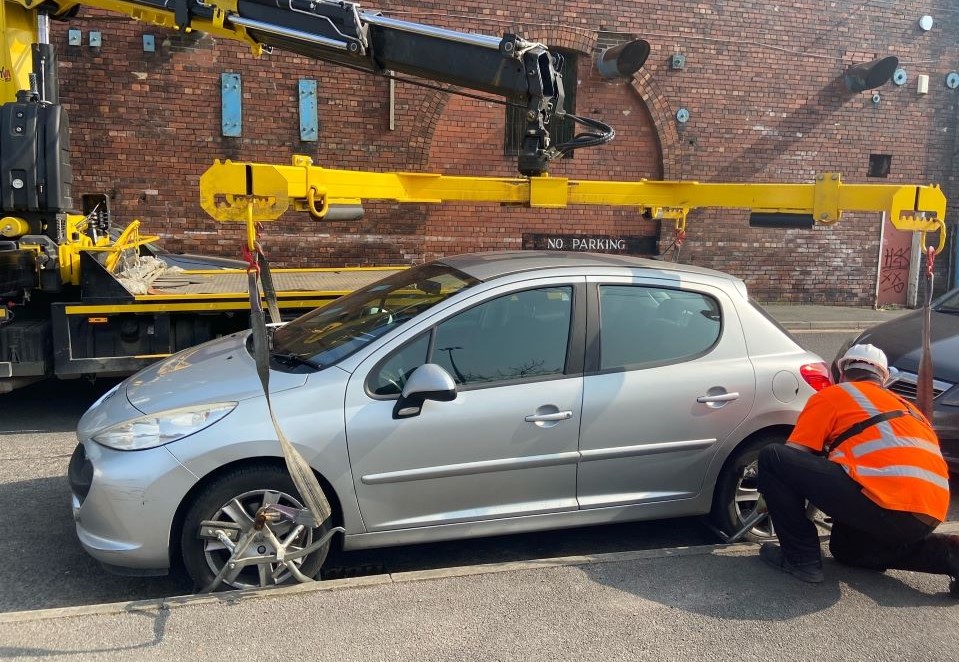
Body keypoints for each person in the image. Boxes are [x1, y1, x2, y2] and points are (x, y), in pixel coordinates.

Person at [756, 343, 958, 594]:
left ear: (842, 374)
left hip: (886, 502)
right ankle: (951, 555)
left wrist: (766, 496)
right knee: (847, 549)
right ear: (883, 379)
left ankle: (801, 559)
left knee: (772, 457)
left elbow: (793, 456)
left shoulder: (833, 395)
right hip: (928, 513)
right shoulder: (909, 409)